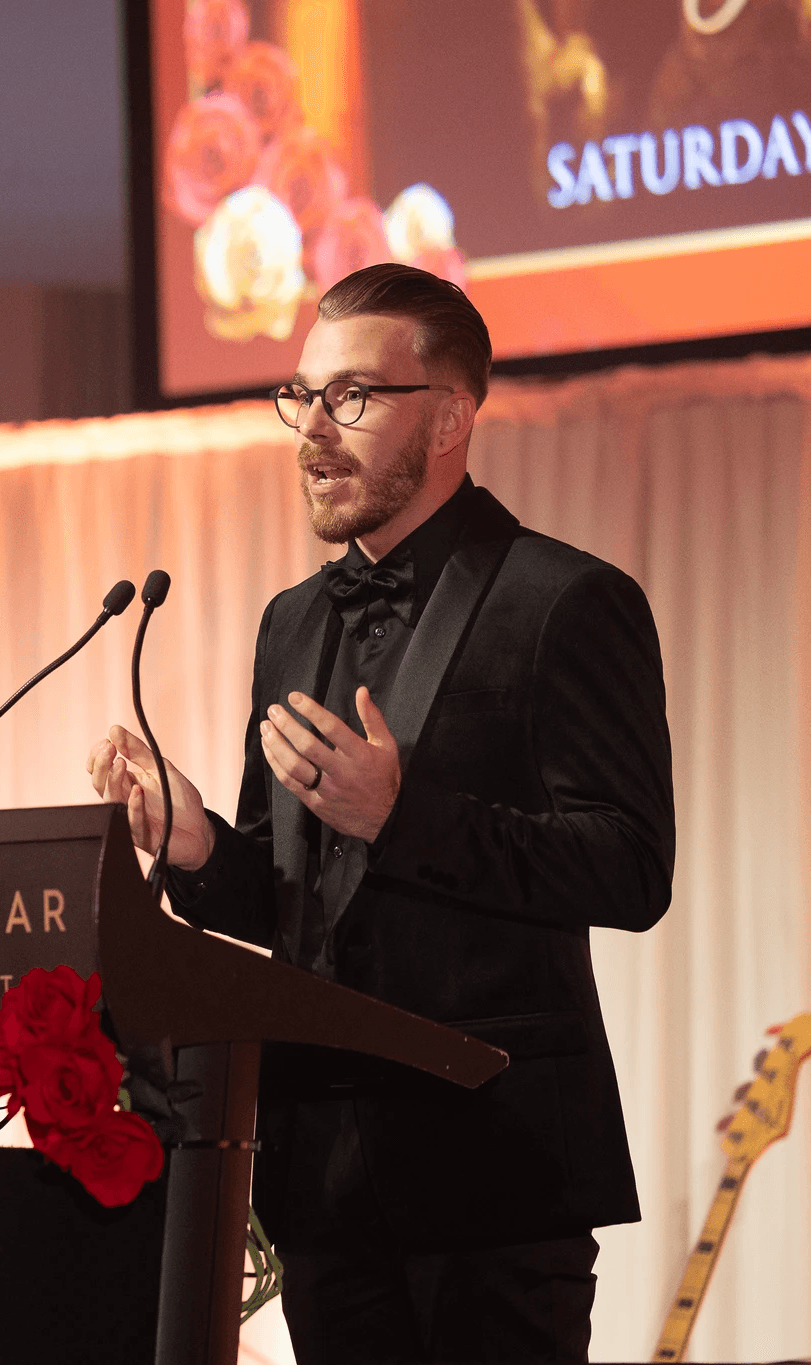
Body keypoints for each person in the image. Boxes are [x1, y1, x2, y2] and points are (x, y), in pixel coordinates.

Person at [87, 263, 675, 1364]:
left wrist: (403, 817)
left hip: (496, 1177)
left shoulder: (565, 602)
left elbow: (632, 871)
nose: (312, 427)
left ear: (450, 415)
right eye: (300, 396)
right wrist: (200, 843)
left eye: (350, 396)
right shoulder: (293, 621)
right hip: (322, 1184)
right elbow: (298, 901)